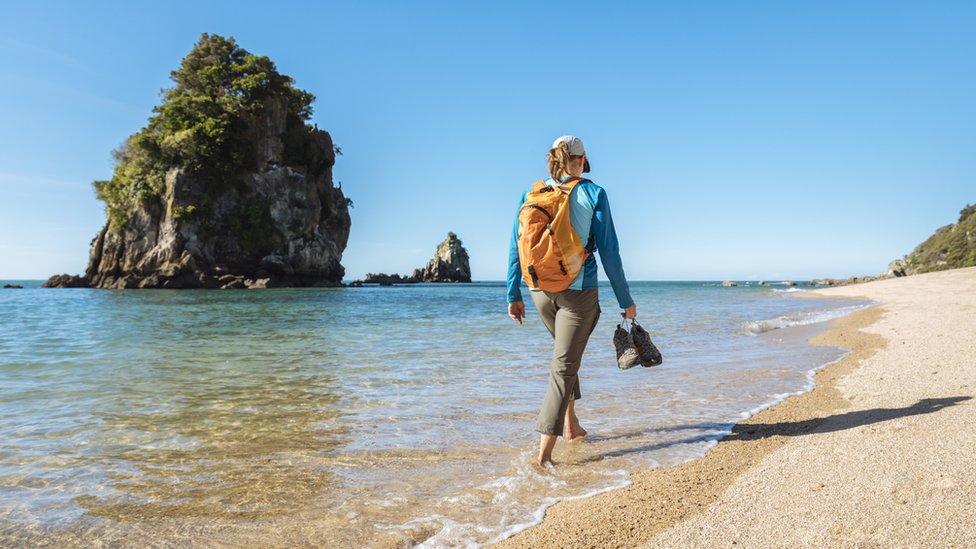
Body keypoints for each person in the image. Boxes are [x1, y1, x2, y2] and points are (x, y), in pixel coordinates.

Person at [506, 135, 636, 466]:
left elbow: (514, 245)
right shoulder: (594, 193)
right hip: (578, 293)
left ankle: (571, 424)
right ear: (581, 159)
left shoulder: (532, 193)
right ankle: (543, 457)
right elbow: (609, 251)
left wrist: (513, 293)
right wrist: (626, 300)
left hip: (538, 292)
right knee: (564, 366)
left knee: (567, 356)